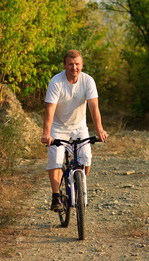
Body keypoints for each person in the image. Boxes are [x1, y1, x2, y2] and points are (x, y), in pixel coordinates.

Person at [40, 49, 108, 212]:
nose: (74, 67)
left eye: (77, 64)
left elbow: (94, 107)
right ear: (65, 65)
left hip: (79, 128)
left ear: (82, 65)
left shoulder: (88, 81)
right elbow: (50, 110)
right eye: (70, 64)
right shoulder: (56, 82)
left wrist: (99, 129)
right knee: (55, 159)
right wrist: (46, 133)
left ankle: (80, 183)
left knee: (87, 158)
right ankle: (56, 196)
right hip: (58, 128)